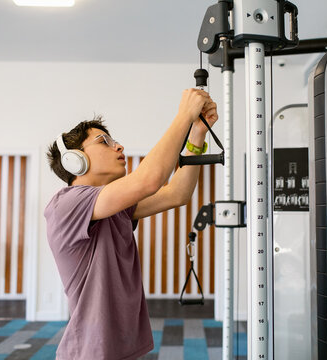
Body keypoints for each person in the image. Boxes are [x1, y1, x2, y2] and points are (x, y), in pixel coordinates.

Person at [44, 88, 218, 360]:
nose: (118, 146)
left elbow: (177, 194)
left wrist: (196, 134)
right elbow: (150, 179)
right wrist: (184, 115)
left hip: (121, 348)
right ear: (74, 160)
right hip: (90, 352)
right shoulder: (66, 204)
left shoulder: (114, 209)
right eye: (104, 142)